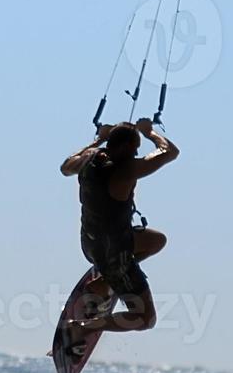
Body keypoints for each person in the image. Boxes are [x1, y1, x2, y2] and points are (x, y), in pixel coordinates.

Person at [60, 118, 179, 341]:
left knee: (156, 241)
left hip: (90, 245)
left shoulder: (88, 160)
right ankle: (83, 326)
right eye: (135, 150)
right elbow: (169, 151)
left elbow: (65, 167)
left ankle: (105, 282)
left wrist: (99, 139)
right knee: (145, 319)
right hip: (115, 253)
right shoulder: (127, 169)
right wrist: (149, 132)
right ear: (125, 147)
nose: (136, 154)